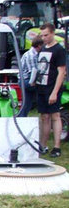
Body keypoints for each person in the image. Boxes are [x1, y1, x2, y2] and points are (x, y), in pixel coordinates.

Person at [36, 22, 66, 158]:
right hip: (41, 86)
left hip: (52, 87)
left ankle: (57, 146)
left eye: (46, 35)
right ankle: (43, 144)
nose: (44, 38)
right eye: (42, 36)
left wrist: (55, 91)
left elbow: (61, 72)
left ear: (53, 33)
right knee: (44, 116)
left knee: (55, 115)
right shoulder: (43, 48)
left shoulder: (59, 50)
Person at [19, 36, 44, 117]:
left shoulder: (35, 53)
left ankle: (21, 118)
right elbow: (33, 72)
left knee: (27, 103)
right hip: (26, 80)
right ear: (39, 45)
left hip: (26, 79)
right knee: (44, 89)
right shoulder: (31, 55)